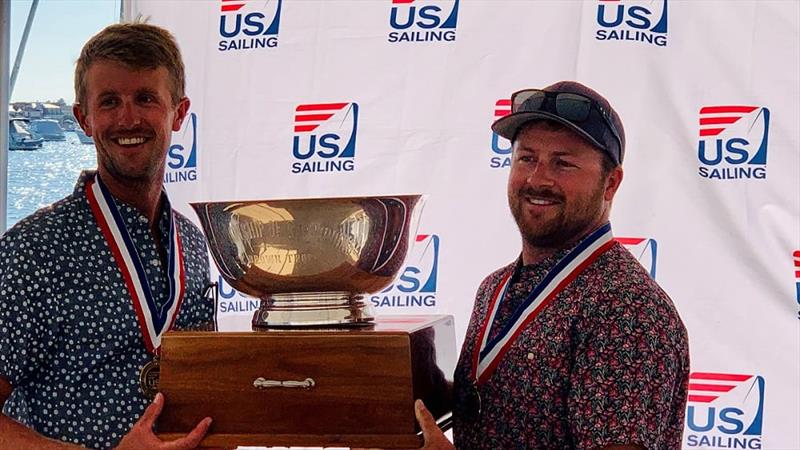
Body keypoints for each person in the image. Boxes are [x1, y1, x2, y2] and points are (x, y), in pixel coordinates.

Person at [414, 81, 690, 449]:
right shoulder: (494, 288)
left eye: (563, 163)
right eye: (526, 158)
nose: (537, 179)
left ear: (611, 183)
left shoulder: (625, 308)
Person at [0, 23, 216, 449]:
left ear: (179, 111)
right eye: (110, 101)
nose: (128, 118)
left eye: (146, 98)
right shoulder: (31, 253)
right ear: (84, 118)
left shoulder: (191, 243)